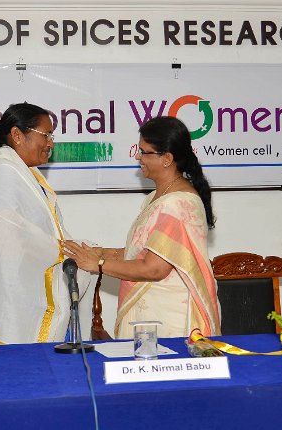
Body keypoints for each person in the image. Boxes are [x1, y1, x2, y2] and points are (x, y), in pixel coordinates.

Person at [62, 116, 221, 339]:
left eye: (144, 152)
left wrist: (98, 264)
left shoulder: (177, 204)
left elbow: (154, 269)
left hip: (169, 322)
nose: (138, 157)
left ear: (167, 159)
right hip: (151, 316)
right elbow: (140, 254)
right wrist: (100, 253)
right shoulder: (157, 197)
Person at [0, 102, 90, 345]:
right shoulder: (2, 172)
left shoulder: (25, 173)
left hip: (24, 290)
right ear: (17, 134)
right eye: (46, 135)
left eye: (52, 136)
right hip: (7, 297)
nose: (51, 143)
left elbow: (46, 230)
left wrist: (81, 249)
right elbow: (9, 234)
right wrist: (64, 251)